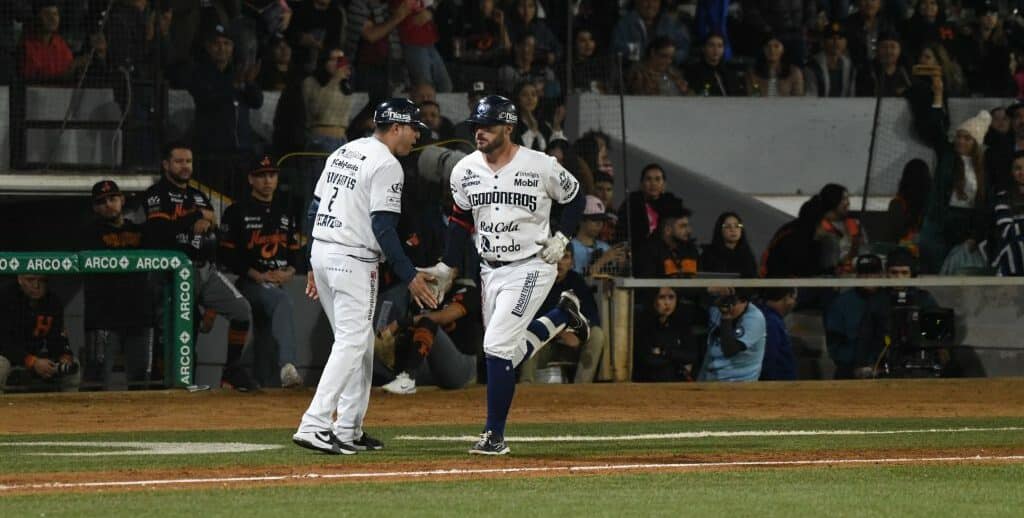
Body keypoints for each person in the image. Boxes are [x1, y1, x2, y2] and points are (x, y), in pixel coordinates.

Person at [417, 94, 588, 455]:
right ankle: (560, 317)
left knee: (494, 346)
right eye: (476, 126)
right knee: (504, 355)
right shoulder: (465, 169)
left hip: (533, 265)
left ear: (508, 128)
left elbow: (575, 197)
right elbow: (462, 218)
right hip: (489, 270)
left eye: (488, 126)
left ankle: (494, 436)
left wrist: (562, 237)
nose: (479, 132)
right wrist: (448, 265)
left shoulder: (539, 164)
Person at [292, 98, 437, 455]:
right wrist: (410, 275)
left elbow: (313, 207)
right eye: (414, 129)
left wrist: (310, 262)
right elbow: (383, 227)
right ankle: (314, 424)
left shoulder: (344, 151)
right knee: (353, 342)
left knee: (358, 343)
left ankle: (348, 428)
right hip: (352, 259)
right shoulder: (387, 164)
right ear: (396, 127)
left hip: (324, 252)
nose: (417, 136)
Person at [143, 142, 257, 391]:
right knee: (179, 333)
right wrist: (193, 219)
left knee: (241, 310)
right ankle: (167, 387)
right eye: (179, 161)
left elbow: (211, 238)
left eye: (189, 161)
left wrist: (212, 309)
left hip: (204, 269)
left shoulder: (198, 195)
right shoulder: (156, 194)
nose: (185, 166)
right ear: (166, 165)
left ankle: (232, 371)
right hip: (171, 273)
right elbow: (156, 232)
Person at [220, 155, 304, 389]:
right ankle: (288, 366)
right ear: (251, 179)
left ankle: (263, 392)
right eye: (261, 176)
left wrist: (290, 272)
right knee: (282, 301)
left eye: (272, 175)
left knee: (266, 341)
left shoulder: (285, 212)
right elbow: (226, 255)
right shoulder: (236, 211)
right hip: (249, 283)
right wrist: (257, 275)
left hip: (277, 281)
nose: (267, 180)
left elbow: (296, 253)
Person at [910, 74, 991, 274]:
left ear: (976, 143)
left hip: (966, 223)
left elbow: (983, 202)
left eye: (967, 138)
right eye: (959, 137)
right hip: (940, 220)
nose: (960, 142)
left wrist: (975, 234)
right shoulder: (947, 155)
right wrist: (938, 95)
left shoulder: (985, 167)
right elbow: (936, 128)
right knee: (934, 268)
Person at [81, 180, 154, 390]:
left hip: (139, 314)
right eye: (101, 202)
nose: (108, 204)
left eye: (112, 199)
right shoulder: (89, 232)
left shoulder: (141, 231)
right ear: (95, 207)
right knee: (95, 380)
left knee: (141, 381)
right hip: (102, 317)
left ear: (122, 200)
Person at [379, 278, 483, 395]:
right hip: (433, 368)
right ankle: (400, 378)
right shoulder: (426, 294)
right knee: (407, 334)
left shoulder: (469, 290)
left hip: (461, 368)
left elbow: (444, 317)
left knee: (426, 322)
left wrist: (400, 323)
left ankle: (407, 380)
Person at [519, 249, 606, 384]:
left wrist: (578, 333)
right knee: (529, 334)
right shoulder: (535, 281)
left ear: (571, 263)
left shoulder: (577, 282)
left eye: (565, 257)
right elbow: (527, 319)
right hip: (544, 345)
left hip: (571, 343)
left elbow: (592, 316)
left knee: (597, 334)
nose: (559, 263)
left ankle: (582, 388)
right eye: (555, 257)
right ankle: (526, 386)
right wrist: (559, 332)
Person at [187, 24, 263, 158]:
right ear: (208, 47)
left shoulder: (238, 72)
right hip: (212, 151)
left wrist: (249, 84)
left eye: (226, 43)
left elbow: (257, 102)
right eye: (216, 44)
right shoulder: (199, 73)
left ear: (233, 47)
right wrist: (233, 86)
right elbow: (206, 99)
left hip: (241, 150)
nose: (222, 48)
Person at [0, 275, 80, 393]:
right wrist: (32, 362)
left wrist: (64, 356)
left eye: (42, 281)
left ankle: (70, 411)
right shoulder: (5, 297)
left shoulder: (52, 302)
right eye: (30, 280)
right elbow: (3, 343)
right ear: (20, 279)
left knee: (73, 365)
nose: (36, 286)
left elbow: (57, 339)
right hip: (6, 354)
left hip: (35, 354)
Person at [824, 253, 887, 378]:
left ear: (881, 274)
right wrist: (857, 366)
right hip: (850, 370)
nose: (868, 277)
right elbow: (834, 345)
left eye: (873, 272)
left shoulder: (888, 299)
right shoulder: (841, 303)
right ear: (857, 275)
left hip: (885, 369)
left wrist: (878, 365)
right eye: (863, 273)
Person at [616, 163, 684, 273]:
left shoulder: (672, 206)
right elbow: (622, 232)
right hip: (639, 257)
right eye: (648, 179)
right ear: (642, 184)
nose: (653, 183)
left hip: (666, 258)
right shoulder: (632, 204)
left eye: (657, 179)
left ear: (664, 185)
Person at [632, 287, 701, 382]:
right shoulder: (643, 324)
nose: (667, 303)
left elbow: (692, 356)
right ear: (654, 299)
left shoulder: (682, 324)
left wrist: (664, 352)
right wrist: (678, 359)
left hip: (677, 383)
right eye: (662, 297)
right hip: (648, 382)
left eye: (671, 297)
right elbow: (648, 360)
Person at [698, 288, 767, 382]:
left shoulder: (754, 318)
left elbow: (729, 350)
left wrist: (726, 316)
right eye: (723, 299)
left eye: (732, 301)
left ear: (744, 301)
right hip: (711, 378)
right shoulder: (715, 308)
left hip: (738, 384)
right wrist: (710, 289)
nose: (726, 305)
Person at [391, 0, 452, 92]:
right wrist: (430, 10)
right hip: (413, 43)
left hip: (428, 42)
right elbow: (419, 19)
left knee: (445, 86)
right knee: (425, 88)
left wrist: (430, 10)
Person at [303, 47, 353, 153]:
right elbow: (316, 111)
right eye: (334, 60)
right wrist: (334, 80)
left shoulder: (345, 84)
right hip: (320, 140)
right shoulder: (311, 82)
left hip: (342, 141)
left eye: (341, 60)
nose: (338, 64)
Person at [611, 0, 690, 66]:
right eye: (646, 0)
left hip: (667, 76)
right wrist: (646, 55)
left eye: (655, 0)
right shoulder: (624, 24)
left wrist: (668, 56)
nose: (650, 5)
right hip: (635, 77)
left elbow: (684, 49)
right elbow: (616, 50)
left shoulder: (671, 23)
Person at [883, 159, 931, 256]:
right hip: (922, 252)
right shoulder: (931, 203)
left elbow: (894, 237)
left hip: (906, 253)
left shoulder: (897, 203)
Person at [570, 195, 626, 277]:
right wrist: (602, 261)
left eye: (601, 220)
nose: (599, 224)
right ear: (581, 220)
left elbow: (611, 278)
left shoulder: (605, 247)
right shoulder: (570, 247)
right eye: (594, 220)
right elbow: (576, 282)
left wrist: (621, 264)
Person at [818, 183, 868, 275]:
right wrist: (854, 247)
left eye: (848, 199)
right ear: (832, 200)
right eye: (844, 199)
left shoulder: (856, 224)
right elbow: (829, 264)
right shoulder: (819, 228)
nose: (848, 203)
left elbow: (866, 255)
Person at [989, 151, 1024, 275]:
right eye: (1018, 168)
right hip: (1011, 251)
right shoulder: (1003, 197)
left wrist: (1019, 224)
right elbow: (1007, 231)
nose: (1022, 173)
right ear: (1011, 172)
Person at [757, 287, 798, 380]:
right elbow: (769, 359)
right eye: (794, 298)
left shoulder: (771, 317)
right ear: (787, 298)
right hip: (777, 385)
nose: (794, 303)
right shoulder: (771, 322)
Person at [701, 211, 758, 278]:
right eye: (728, 226)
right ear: (720, 230)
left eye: (737, 226)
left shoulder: (747, 254)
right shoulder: (709, 254)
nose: (733, 229)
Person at [854, 31, 911, 97]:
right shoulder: (867, 72)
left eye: (893, 47)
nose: (888, 51)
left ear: (899, 50)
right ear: (877, 49)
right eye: (884, 47)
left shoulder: (906, 72)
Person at [805, 22, 854, 97]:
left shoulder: (850, 66)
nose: (836, 42)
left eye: (840, 38)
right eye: (831, 38)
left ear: (846, 42)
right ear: (823, 41)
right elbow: (811, 95)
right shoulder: (813, 66)